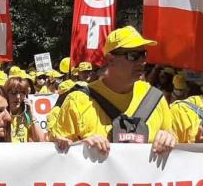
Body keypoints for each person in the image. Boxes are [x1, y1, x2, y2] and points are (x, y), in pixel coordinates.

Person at [51, 26, 176, 157]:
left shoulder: (155, 98)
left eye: (143, 54)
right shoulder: (78, 101)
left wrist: (168, 137)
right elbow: (59, 154)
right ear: (111, 59)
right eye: (133, 56)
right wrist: (81, 146)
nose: (142, 61)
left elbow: (173, 139)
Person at [3, 76, 47, 143]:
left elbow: (41, 141)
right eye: (13, 93)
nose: (18, 97)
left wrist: (32, 114)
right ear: (6, 94)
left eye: (22, 93)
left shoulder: (27, 115)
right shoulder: (1, 114)